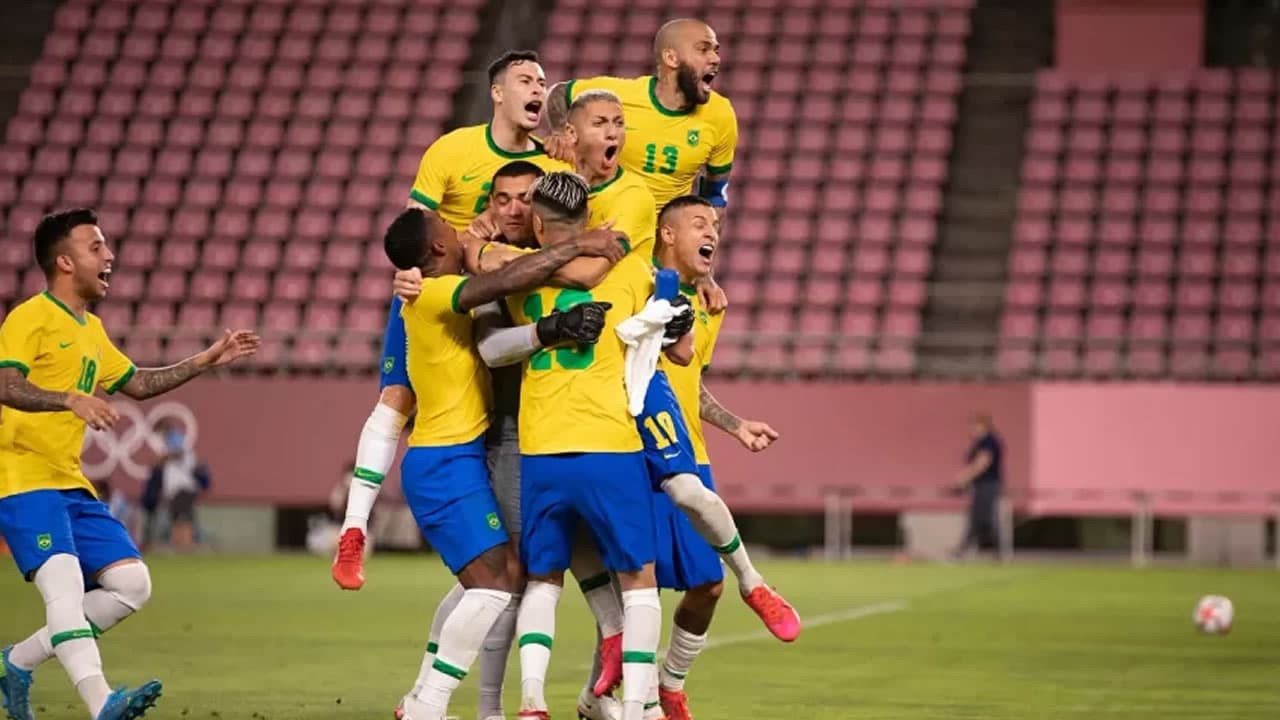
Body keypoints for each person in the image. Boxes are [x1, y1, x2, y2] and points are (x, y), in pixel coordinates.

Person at [0, 208, 259, 720]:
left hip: (69, 483)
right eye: (96, 247)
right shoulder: (30, 316)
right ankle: (102, 706)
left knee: (132, 585)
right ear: (64, 261)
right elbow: (6, 386)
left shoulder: (91, 329)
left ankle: (17, 661)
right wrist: (69, 399)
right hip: (23, 477)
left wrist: (206, 359)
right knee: (66, 590)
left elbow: (138, 384)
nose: (109, 255)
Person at [332, 49, 572, 589]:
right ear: (496, 92)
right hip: (443, 294)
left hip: (503, 300)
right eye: (525, 79)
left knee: (495, 418)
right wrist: (409, 275)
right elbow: (414, 228)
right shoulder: (451, 150)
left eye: (542, 80)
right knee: (397, 399)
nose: (539, 87)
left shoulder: (556, 162)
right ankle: (352, 531)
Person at [381, 203, 623, 720]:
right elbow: (505, 283)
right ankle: (434, 704)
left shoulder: (433, 289)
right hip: (446, 460)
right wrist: (578, 248)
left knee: (492, 578)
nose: (459, 229)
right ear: (441, 247)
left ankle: (422, 698)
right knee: (496, 586)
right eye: (449, 229)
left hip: (461, 454)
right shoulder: (437, 291)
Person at [493, 172, 670, 720]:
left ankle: (531, 701)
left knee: (543, 578)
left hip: (542, 446)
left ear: (539, 223)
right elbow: (675, 330)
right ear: (590, 223)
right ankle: (638, 705)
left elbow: (495, 346)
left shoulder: (517, 278)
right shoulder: (634, 272)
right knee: (639, 580)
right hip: (609, 444)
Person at [642, 196, 783, 720]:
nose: (713, 233)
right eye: (700, 223)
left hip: (690, 455)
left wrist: (735, 424)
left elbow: (690, 383)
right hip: (638, 454)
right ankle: (613, 696)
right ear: (666, 233)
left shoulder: (706, 305)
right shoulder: (633, 286)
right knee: (638, 587)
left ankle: (669, 685)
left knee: (708, 584)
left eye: (717, 225)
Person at [544, 18, 738, 312]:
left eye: (716, 50)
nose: (715, 59)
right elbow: (560, 93)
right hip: (602, 230)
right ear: (671, 58)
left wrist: (703, 272)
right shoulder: (619, 97)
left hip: (655, 251)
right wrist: (561, 130)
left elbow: (714, 198)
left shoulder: (720, 116)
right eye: (704, 49)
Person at [951, 413, 1004, 558]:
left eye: (974, 426)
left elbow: (982, 463)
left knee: (986, 518)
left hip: (988, 484)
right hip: (982, 485)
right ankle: (962, 550)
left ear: (983, 426)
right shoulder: (981, 442)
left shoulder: (989, 441)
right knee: (977, 518)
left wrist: (964, 478)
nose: (971, 429)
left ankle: (998, 551)